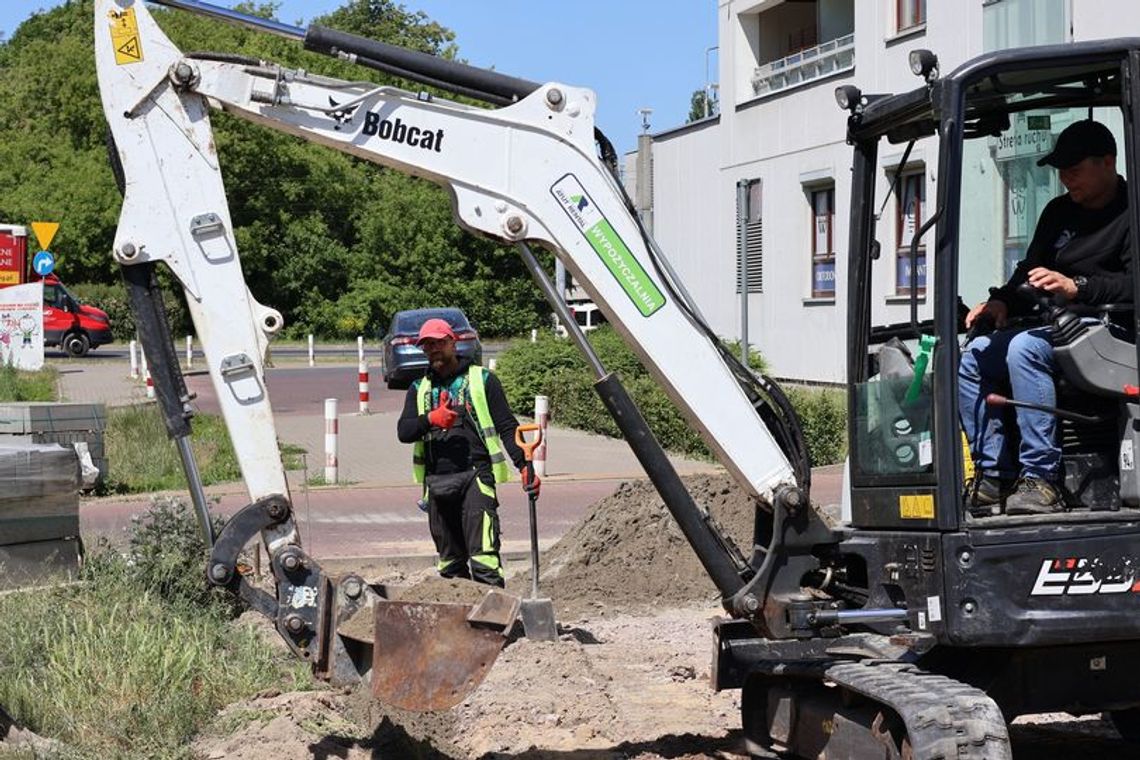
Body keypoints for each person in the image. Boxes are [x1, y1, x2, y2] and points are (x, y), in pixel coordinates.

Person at [959, 119, 1131, 516]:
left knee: (1024, 348)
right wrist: (1002, 301)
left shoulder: (1131, 211)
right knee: (976, 353)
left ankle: (1042, 479)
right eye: (1061, 170)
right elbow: (1030, 271)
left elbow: (1132, 286)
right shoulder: (1058, 212)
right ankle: (995, 474)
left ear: (1108, 161)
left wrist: (1078, 288)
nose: (1065, 178)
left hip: (1114, 329)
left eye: (1074, 168)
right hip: (1059, 325)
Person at [397, 317, 538, 586]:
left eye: (438, 342)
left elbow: (507, 427)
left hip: (476, 478)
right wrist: (431, 419)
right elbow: (404, 432)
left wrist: (525, 466)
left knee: (484, 558)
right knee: (450, 565)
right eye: (426, 345)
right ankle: (459, 626)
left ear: (453, 342)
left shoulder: (482, 380)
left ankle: (492, 624)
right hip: (437, 484)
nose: (433, 349)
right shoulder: (418, 388)